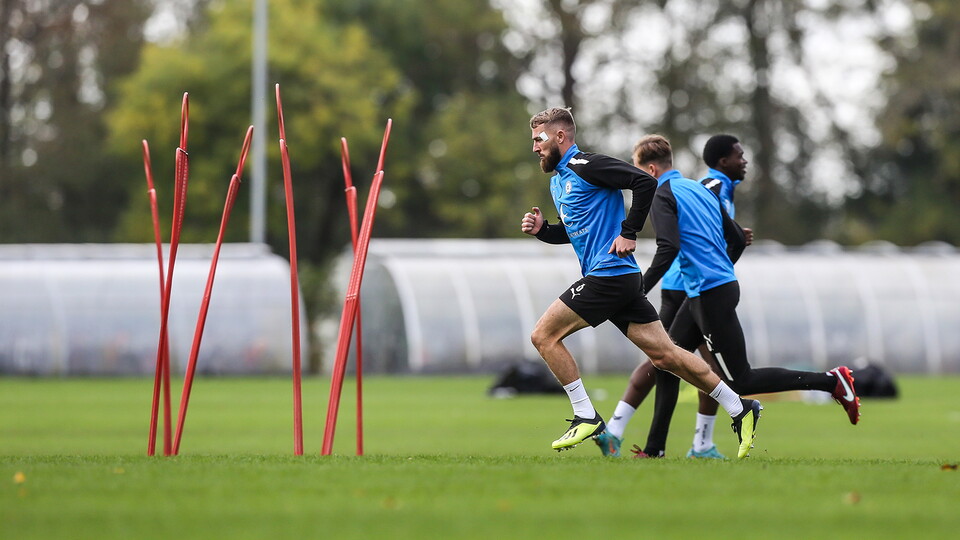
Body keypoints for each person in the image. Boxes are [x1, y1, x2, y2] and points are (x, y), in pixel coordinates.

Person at [520, 108, 762, 458]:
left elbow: (645, 181)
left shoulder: (587, 165)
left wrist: (629, 231)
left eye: (539, 139)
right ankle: (740, 407)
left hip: (609, 276)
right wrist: (544, 231)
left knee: (543, 335)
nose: (534, 148)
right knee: (666, 355)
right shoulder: (559, 180)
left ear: (560, 137)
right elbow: (574, 234)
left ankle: (586, 414)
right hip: (619, 280)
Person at [630, 134, 860, 459]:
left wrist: (638, 290)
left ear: (650, 171)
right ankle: (654, 450)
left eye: (638, 174)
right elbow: (737, 237)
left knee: (740, 381)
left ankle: (831, 381)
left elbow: (670, 246)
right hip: (710, 288)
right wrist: (721, 267)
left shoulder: (663, 193)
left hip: (709, 292)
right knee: (667, 361)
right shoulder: (699, 188)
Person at [594, 135, 741, 459]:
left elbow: (680, 241)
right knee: (682, 362)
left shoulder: (685, 189)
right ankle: (699, 442)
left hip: (687, 286)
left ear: (649, 168)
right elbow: (679, 244)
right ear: (723, 162)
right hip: (691, 288)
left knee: (668, 360)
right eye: (739, 156)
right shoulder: (709, 187)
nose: (743, 161)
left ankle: (632, 436)